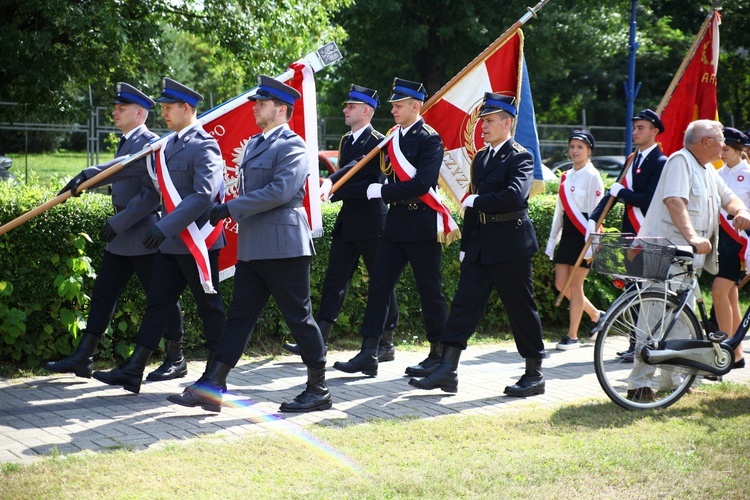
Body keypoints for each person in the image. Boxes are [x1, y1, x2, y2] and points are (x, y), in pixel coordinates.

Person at [167, 75, 331, 413]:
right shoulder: (256, 144)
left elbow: (281, 191)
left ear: (281, 109)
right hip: (255, 244)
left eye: (262, 103)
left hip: (285, 244)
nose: (255, 108)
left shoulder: (294, 146)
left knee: (300, 318)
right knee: (239, 319)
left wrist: (228, 208)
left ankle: (319, 389)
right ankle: (213, 385)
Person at [91, 78, 227, 394]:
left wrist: (163, 226)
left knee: (209, 307)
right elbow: (133, 170)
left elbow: (203, 195)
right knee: (157, 304)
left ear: (186, 108)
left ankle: (214, 375)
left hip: (197, 242)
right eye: (162, 107)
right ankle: (134, 369)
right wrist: (89, 176)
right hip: (171, 242)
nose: (163, 112)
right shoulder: (166, 145)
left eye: (168, 107)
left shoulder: (205, 145)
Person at [43, 83, 186, 382]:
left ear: (139, 113)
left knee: (162, 297)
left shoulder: (151, 143)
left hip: (143, 235)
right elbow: (119, 174)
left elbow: (152, 194)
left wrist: (118, 222)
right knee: (104, 294)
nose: (114, 112)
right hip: (122, 235)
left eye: (121, 109)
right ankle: (85, 356)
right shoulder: (126, 142)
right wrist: (85, 181)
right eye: (116, 108)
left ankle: (177, 358)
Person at [408, 92, 546, 396]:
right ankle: (448, 369)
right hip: (482, 244)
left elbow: (514, 196)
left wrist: (478, 200)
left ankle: (534, 373)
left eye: (489, 121)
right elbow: (472, 207)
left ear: (507, 123)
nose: (482, 126)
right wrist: (466, 244)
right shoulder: (482, 157)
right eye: (482, 121)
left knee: (520, 309)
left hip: (511, 245)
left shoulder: (520, 156)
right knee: (463, 306)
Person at [333, 77, 457, 378]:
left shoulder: (430, 139)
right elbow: (370, 165)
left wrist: (382, 191)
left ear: (416, 106)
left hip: (422, 222)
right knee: (378, 287)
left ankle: (437, 352)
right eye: (393, 106)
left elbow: (422, 182)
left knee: (430, 291)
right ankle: (368, 352)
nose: (394, 110)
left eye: (399, 105)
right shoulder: (391, 136)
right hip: (395, 223)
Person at [629, 119, 750, 401]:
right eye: (720, 139)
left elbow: (729, 198)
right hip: (665, 253)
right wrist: (693, 237)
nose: (724, 145)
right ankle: (639, 384)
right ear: (705, 141)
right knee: (656, 319)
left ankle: (675, 381)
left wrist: (742, 211)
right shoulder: (679, 162)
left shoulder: (708, 169)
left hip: (686, 260)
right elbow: (675, 202)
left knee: (683, 320)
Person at [282, 84, 399, 362]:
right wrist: (332, 188)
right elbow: (350, 174)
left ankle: (387, 340)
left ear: (366, 111)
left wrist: (331, 187)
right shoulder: (347, 140)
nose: (344, 109)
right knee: (335, 280)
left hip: (372, 222)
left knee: (381, 281)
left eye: (351, 106)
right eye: (346, 105)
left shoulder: (379, 142)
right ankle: (318, 341)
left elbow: (370, 181)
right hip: (349, 220)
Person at [588, 109, 668, 357]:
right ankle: (635, 345)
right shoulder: (632, 159)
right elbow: (614, 192)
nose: (635, 132)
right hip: (630, 234)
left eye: (641, 128)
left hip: (648, 233)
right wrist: (593, 218)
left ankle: (650, 343)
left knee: (649, 294)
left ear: (655, 131)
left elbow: (648, 200)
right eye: (634, 128)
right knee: (632, 291)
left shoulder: (660, 162)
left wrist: (622, 194)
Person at [545, 130, 604, 350]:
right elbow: (559, 213)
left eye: (580, 147)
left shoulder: (593, 176)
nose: (575, 151)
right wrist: (553, 241)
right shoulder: (565, 176)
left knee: (576, 285)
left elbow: (597, 212)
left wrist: (592, 244)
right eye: (572, 146)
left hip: (585, 235)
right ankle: (596, 315)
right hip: (568, 235)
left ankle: (572, 336)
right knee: (562, 284)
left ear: (589, 150)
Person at [711, 127, 750, 369]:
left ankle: (722, 352)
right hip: (721, 240)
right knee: (729, 294)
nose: (722, 153)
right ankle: (736, 353)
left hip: (740, 242)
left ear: (740, 149)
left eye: (726, 149)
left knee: (718, 291)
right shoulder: (718, 173)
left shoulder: (747, 174)